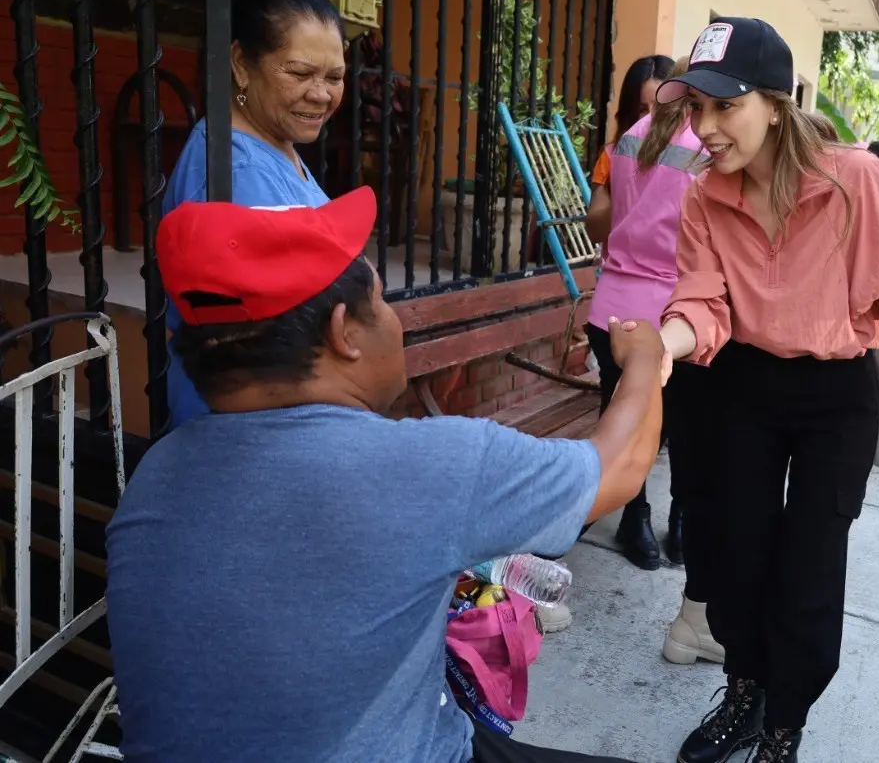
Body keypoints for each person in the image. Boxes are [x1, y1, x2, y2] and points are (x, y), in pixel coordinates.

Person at [106, 188, 665, 763]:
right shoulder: (426, 466)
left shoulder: (159, 472)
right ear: (344, 331)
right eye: (383, 299)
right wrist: (644, 357)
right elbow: (619, 466)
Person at [652, 17, 879, 763]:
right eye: (695, 108)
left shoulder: (848, 177)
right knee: (735, 550)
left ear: (775, 105)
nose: (706, 127)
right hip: (746, 384)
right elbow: (702, 303)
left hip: (836, 394)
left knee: (811, 563)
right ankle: (746, 691)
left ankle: (784, 724)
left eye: (725, 106)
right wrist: (661, 344)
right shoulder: (704, 199)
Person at [161, 0, 347, 431]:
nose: (321, 93)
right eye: (301, 73)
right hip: (253, 435)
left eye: (335, 76)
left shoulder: (274, 145)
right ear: (241, 65)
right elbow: (269, 349)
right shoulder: (237, 173)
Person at [583, 56, 708, 574]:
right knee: (685, 424)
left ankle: (634, 519)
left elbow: (603, 221)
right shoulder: (707, 145)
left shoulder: (630, 137)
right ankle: (680, 523)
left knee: (626, 420)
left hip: (611, 307)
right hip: (674, 313)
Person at [587, 54, 677, 229]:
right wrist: (629, 198)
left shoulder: (698, 153)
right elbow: (594, 230)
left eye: (662, 107)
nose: (651, 118)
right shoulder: (612, 154)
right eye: (642, 109)